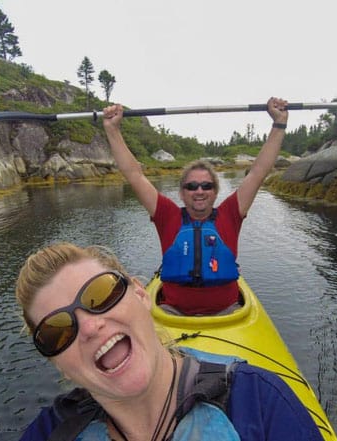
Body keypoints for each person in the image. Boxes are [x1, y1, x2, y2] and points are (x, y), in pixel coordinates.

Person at [15, 242, 324, 441]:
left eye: (101, 294)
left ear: (139, 293)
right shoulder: (48, 433)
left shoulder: (258, 401)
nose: (91, 327)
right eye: (58, 331)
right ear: (58, 363)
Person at [102, 98, 289, 315]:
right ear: (182, 193)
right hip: (172, 312)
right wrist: (112, 129)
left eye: (206, 186)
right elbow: (134, 174)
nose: (199, 191)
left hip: (229, 312)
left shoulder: (231, 213)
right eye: (192, 186)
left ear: (215, 191)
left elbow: (258, 172)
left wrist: (279, 124)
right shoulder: (166, 215)